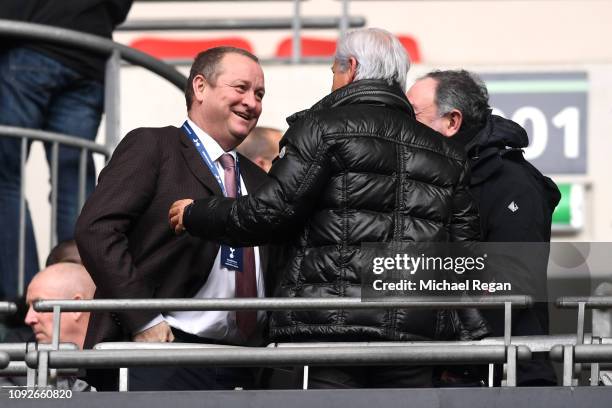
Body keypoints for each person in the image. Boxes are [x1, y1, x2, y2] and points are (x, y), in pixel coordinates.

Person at [169, 28, 484, 388]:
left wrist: (197, 212)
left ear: (350, 68)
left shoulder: (321, 129)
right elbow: (465, 259)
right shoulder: (448, 155)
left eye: (334, 71)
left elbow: (270, 213)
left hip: (329, 333)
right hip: (414, 341)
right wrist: (470, 337)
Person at [75, 46, 269, 391]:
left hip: (244, 361)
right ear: (200, 87)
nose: (252, 103)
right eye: (240, 88)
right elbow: (97, 230)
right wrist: (142, 318)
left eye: (259, 94)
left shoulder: (260, 181)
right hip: (161, 350)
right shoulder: (154, 146)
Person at [407, 69, 560, 386]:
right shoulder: (437, 180)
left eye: (414, 115)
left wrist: (453, 353)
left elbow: (510, 286)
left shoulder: (513, 186)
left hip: (505, 379)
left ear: (452, 122)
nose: (404, 127)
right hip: (451, 373)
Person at [0, 0, 133, 300]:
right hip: (88, 52)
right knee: (72, 179)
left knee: (4, 177)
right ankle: (77, 290)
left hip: (29, 41)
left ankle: (25, 298)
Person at [0, 262, 96, 390]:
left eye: (39, 306)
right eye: (29, 307)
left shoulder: (125, 367)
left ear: (76, 307)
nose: (28, 319)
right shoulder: (15, 365)